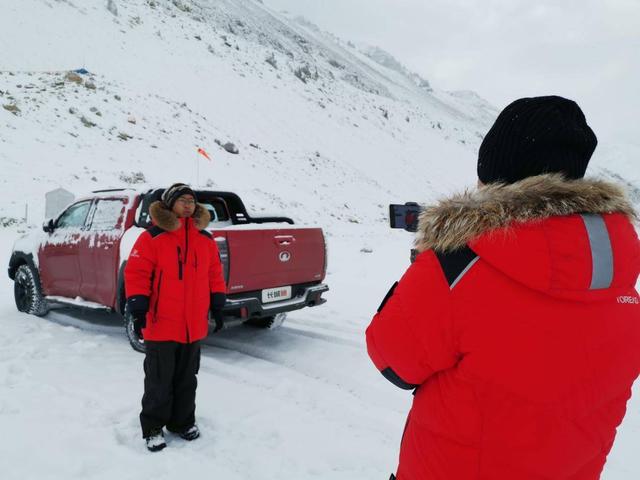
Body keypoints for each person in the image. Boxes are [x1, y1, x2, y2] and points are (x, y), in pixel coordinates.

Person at [366, 96, 640, 479]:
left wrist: (430, 267)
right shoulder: (618, 280)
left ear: (495, 176)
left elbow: (392, 359)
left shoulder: (458, 264)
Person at [125, 183, 227, 452]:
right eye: (182, 200)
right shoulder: (151, 238)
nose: (188, 205)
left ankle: (182, 422)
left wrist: (218, 302)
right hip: (161, 323)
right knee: (159, 379)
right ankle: (153, 427)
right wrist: (137, 307)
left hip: (193, 325)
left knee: (186, 378)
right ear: (169, 204)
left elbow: (214, 273)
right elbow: (136, 273)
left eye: (191, 201)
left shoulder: (205, 239)